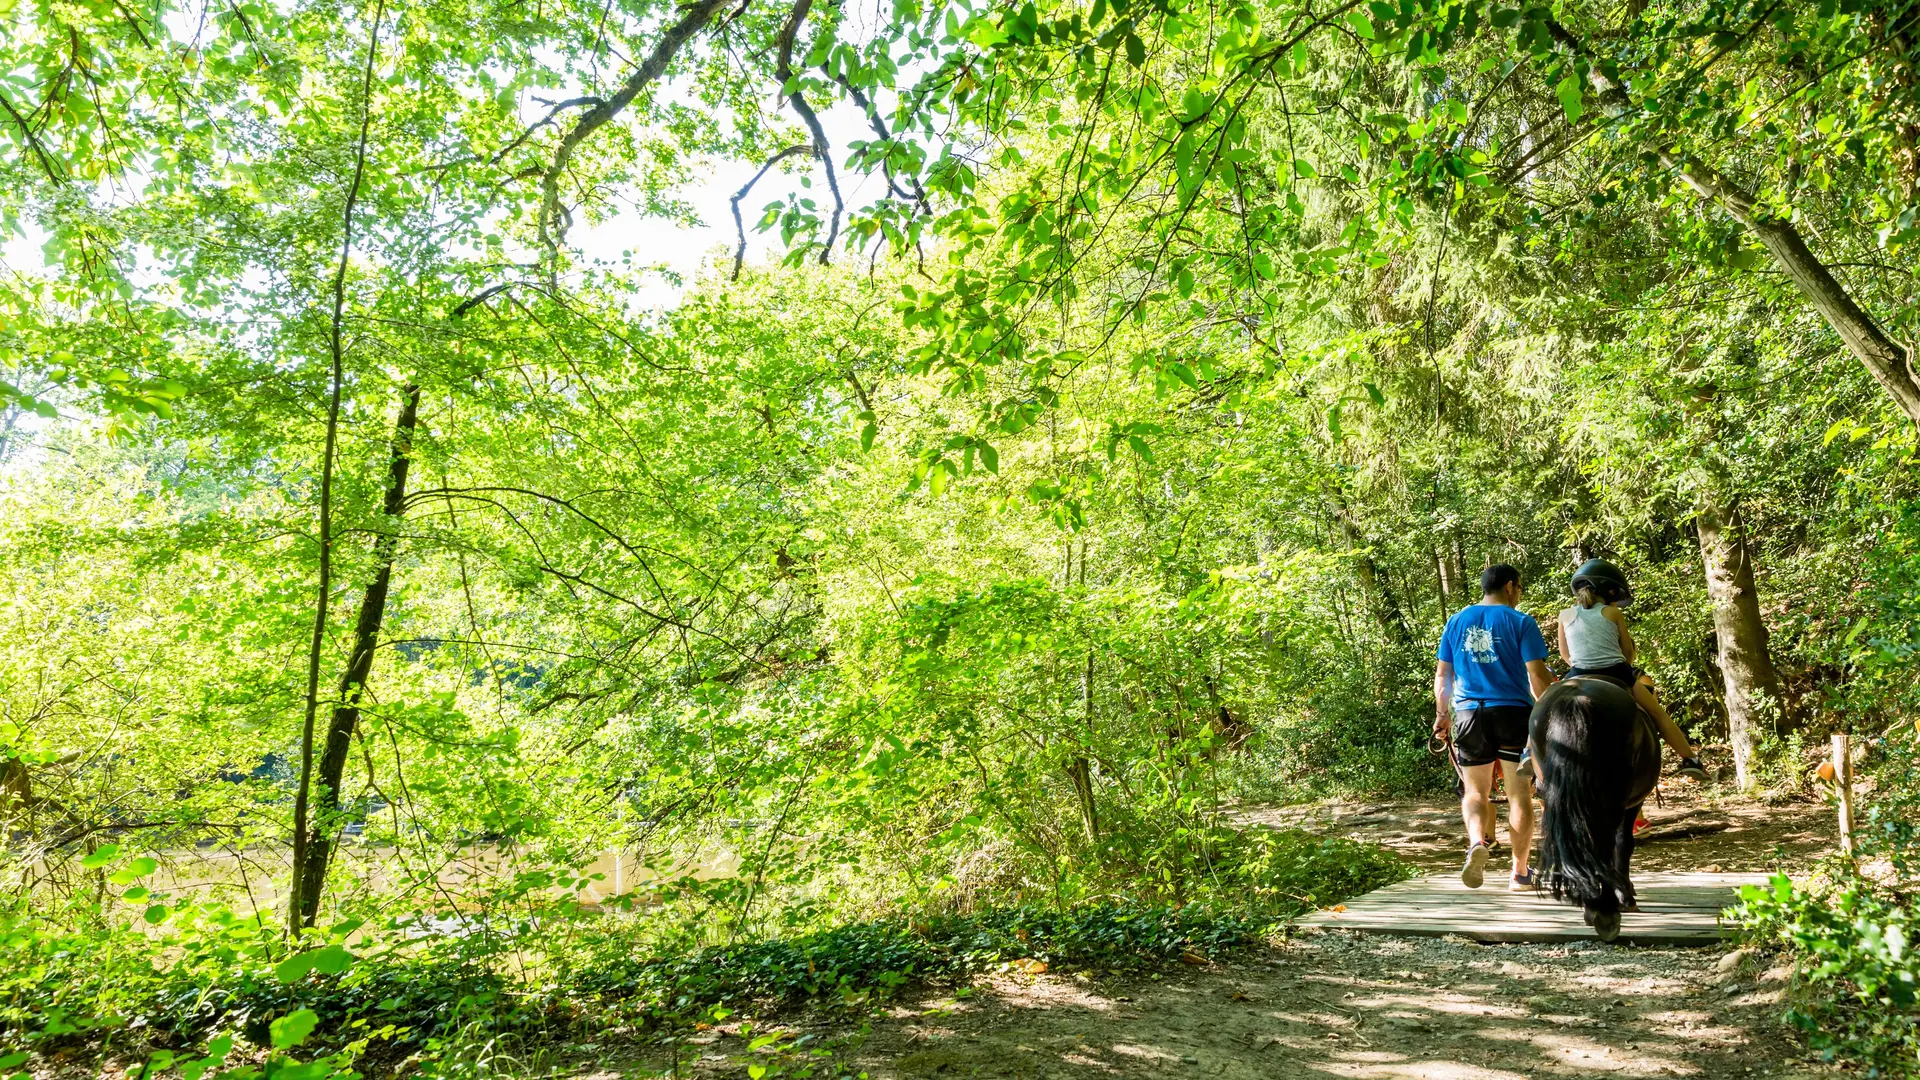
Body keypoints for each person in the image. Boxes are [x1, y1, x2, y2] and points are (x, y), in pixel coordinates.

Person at [1433, 563, 1553, 892]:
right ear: (1510, 586)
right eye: (1520, 587)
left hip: (1469, 714)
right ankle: (1519, 872)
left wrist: (1442, 715)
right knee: (1519, 795)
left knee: (1475, 792)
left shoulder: (1456, 621)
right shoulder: (1521, 621)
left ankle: (1477, 842)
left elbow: (1443, 676)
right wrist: (1549, 709)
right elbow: (1537, 676)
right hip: (1512, 713)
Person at [1557, 559, 1710, 782]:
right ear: (1608, 591)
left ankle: (1529, 752)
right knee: (1657, 713)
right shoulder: (1613, 613)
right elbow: (1627, 652)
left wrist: (1583, 665)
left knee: (1545, 705)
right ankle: (1690, 760)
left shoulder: (1565, 615)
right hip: (1616, 672)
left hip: (1578, 673)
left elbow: (1565, 654)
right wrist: (1623, 668)